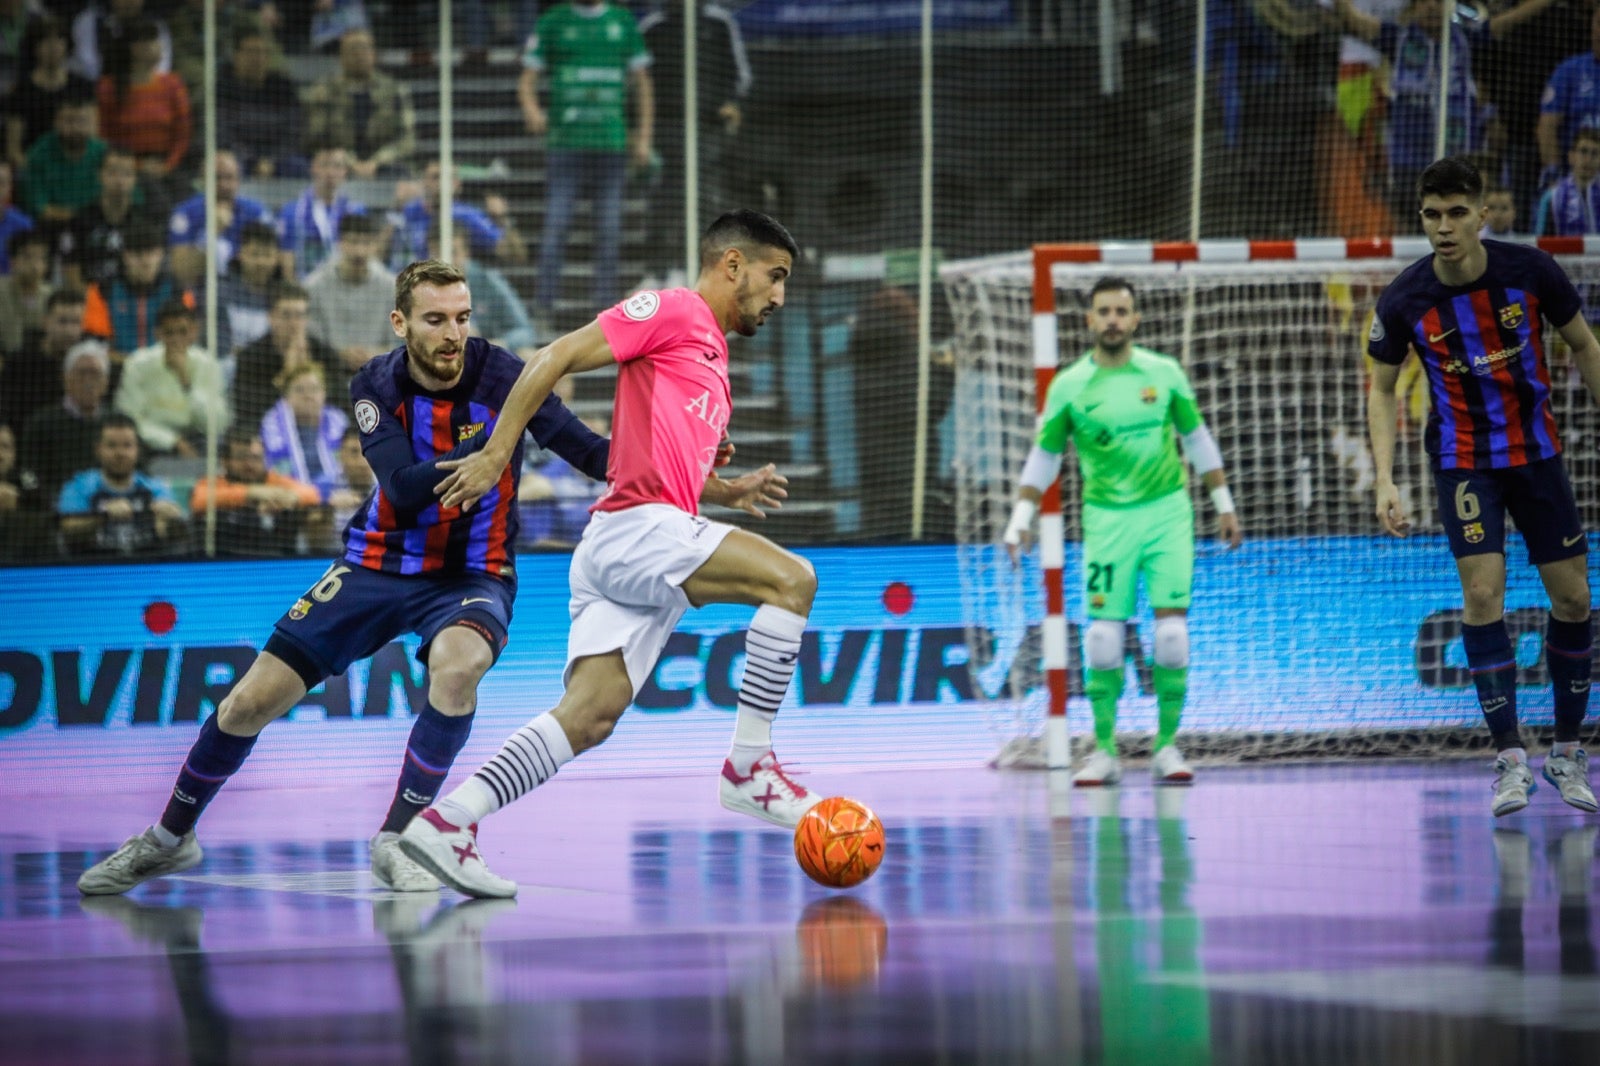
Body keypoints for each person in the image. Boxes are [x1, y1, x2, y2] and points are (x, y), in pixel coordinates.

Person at [73, 257, 756, 898]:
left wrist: (697, 469)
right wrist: (488, 453)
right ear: (401, 323)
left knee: (459, 669)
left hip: (473, 573)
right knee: (246, 704)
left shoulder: (504, 374)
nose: (453, 333)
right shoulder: (375, 384)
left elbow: (591, 453)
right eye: (435, 320)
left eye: (462, 317)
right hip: (375, 564)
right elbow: (400, 489)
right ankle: (169, 838)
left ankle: (400, 838)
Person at [396, 210, 807, 900]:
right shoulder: (674, 310)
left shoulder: (713, 358)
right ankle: (750, 767)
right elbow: (552, 357)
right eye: (776, 276)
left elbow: (652, 459)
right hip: (637, 531)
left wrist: (723, 488)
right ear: (733, 264)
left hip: (633, 540)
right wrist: (496, 452)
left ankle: (446, 823)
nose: (780, 296)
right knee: (792, 581)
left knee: (589, 716)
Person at [1367, 156, 1600, 819]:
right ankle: (1509, 759)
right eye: (1431, 215)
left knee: (1574, 598)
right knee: (1481, 594)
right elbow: (1382, 388)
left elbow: (1585, 345)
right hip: (1464, 461)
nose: (1443, 228)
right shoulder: (1405, 299)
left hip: (1536, 454)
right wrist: (1384, 478)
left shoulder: (1532, 272)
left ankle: (1566, 752)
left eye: (1456, 213)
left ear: (1483, 216)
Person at [1001, 275, 1243, 788]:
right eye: (1104, 311)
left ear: (1135, 319)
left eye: (1121, 311)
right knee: (1103, 640)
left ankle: (1167, 746)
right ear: (1089, 320)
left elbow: (1197, 440)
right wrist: (1020, 520)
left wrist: (1223, 504)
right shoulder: (1069, 385)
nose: (1112, 320)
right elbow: (1044, 458)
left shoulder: (1164, 373)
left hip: (1167, 515)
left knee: (1172, 636)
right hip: (1107, 520)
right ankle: (1105, 750)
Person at [1333, 0, 1560, 226]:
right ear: (1414, 6)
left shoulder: (1466, 38)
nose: (1432, 7)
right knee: (1411, 226)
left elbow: (1508, 20)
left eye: (1439, 2)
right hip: (1408, 159)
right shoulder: (1398, 38)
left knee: (1454, 226)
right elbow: (1353, 19)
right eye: (1426, 2)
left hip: (1456, 156)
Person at [520, 0, 653, 319]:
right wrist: (532, 110)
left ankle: (605, 313)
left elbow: (643, 83)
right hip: (566, 145)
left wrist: (644, 137)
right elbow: (527, 78)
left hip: (611, 146)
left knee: (609, 229)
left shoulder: (623, 22)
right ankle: (544, 308)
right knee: (556, 226)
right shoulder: (553, 21)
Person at [637, 1, 752, 283]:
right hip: (666, 130)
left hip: (707, 129)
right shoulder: (654, 26)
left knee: (705, 200)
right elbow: (639, 80)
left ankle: (702, 270)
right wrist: (640, 131)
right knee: (664, 200)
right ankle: (660, 271)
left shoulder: (719, 23)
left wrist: (730, 102)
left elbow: (741, 75)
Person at [57, 411, 187, 558]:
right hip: (94, 565)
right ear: (98, 449)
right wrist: (104, 516)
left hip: (145, 566)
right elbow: (67, 529)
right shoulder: (78, 486)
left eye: (127, 446)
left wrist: (172, 519)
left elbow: (180, 535)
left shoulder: (155, 488)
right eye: (112, 446)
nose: (120, 453)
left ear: (137, 449)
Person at [112, 298, 228, 458]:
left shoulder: (209, 365)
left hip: (197, 437)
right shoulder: (137, 364)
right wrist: (173, 441)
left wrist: (185, 381)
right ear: (158, 334)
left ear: (194, 332)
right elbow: (129, 419)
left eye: (183, 332)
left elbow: (217, 423)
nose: (176, 340)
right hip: (152, 440)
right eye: (169, 333)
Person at [190, 426, 323, 556]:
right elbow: (198, 500)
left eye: (256, 458)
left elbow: (312, 494)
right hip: (223, 558)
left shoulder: (273, 480)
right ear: (225, 461)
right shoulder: (215, 483)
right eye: (241, 457)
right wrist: (252, 493)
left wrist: (291, 498)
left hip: (276, 557)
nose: (249, 464)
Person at [301, 27, 415, 180]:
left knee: (401, 173)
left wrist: (377, 162)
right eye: (352, 49)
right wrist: (348, 161)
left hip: (384, 166)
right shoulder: (323, 91)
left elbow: (407, 139)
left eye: (364, 48)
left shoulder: (394, 90)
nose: (359, 55)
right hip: (336, 166)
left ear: (374, 54)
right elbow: (314, 138)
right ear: (341, 56)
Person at [95, 16, 190, 194]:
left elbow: (182, 135)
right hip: (124, 169)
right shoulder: (108, 87)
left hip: (168, 166)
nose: (159, 46)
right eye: (152, 41)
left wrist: (168, 165)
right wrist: (136, 165)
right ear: (135, 48)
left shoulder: (173, 84)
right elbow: (103, 137)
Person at [81, 219, 194, 369]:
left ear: (161, 254)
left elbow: (187, 343)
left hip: (165, 370)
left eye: (151, 253)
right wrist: (137, 366)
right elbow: (95, 347)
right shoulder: (102, 291)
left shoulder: (178, 292)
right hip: (117, 371)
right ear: (125, 256)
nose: (146, 262)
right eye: (138, 254)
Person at [232, 280, 343, 430]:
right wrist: (287, 375)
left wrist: (309, 374)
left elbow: (342, 403)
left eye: (300, 315)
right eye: (286, 315)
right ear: (271, 318)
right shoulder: (251, 357)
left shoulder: (326, 355)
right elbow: (248, 411)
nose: (294, 323)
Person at [15, 338, 111, 511]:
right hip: (54, 509)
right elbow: (26, 473)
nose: (88, 380)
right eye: (82, 373)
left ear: (106, 382)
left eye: (95, 373)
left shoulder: (117, 424)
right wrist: (46, 499)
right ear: (65, 378)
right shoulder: (41, 423)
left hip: (110, 508)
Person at [387, 159, 526, 269]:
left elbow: (515, 255)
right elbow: (379, 251)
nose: (442, 183)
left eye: (448, 177)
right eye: (436, 177)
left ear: (457, 184)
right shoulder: (409, 209)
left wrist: (502, 218)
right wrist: (396, 208)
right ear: (423, 181)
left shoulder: (467, 215)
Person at [166, 148, 274, 288]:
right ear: (202, 181)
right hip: (201, 291)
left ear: (238, 180)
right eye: (216, 178)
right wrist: (212, 233)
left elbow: (269, 264)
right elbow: (181, 273)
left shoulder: (257, 213)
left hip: (247, 291)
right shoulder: (185, 214)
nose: (223, 184)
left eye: (229, 177)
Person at [305, 210, 396, 373]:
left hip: (379, 373)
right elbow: (312, 341)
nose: (359, 252)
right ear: (340, 243)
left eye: (366, 243)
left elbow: (399, 342)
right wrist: (340, 354)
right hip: (329, 372)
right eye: (353, 242)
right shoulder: (314, 286)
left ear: (375, 245)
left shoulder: (392, 288)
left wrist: (374, 355)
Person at [3, 15, 93, 178]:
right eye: (45, 40)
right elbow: (13, 149)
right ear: (34, 47)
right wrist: (36, 172)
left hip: (77, 169)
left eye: (59, 39)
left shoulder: (81, 85)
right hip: (36, 170)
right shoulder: (21, 91)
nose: (53, 47)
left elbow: (92, 134)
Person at [428, 221, 539, 352]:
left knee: (526, 353)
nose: (446, 262)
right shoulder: (419, 288)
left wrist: (495, 344)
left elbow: (525, 331)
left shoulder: (488, 281)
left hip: (483, 356)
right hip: (437, 356)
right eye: (438, 254)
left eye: (453, 253)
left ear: (466, 252)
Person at [214, 24, 304, 179]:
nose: (257, 58)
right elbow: (223, 133)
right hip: (239, 157)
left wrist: (271, 160)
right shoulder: (223, 87)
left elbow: (294, 130)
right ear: (236, 55)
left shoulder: (283, 87)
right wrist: (253, 161)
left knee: (300, 166)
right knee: (228, 167)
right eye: (251, 52)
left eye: (262, 52)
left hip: (279, 159)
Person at [259, 360, 348, 501]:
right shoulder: (271, 427)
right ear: (286, 397)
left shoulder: (340, 423)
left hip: (340, 498)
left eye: (314, 389)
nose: (308, 395)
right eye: (299, 390)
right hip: (292, 500)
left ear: (324, 393)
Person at [1537, 5, 1600, 198]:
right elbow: (1547, 128)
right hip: (1574, 181)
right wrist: (1556, 177)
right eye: (1599, 23)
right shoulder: (1570, 71)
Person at [277, 143, 367, 279]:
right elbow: (287, 267)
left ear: (345, 171)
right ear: (313, 167)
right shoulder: (291, 212)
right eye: (324, 165)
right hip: (304, 287)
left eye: (337, 166)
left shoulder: (356, 212)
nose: (330, 172)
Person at [0, 286, 83, 430]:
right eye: (62, 321)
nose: (69, 331)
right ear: (46, 322)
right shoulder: (19, 362)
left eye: (76, 322)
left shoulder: (85, 365)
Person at [19, 92, 106, 230]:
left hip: (99, 227)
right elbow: (39, 209)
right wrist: (80, 218)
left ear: (94, 123)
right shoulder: (38, 154)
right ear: (56, 122)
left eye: (83, 121)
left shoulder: (104, 153)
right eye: (69, 121)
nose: (76, 128)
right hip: (51, 229)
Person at [58, 146, 140, 291]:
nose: (120, 181)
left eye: (127, 174)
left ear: (135, 179)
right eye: (113, 173)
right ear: (100, 175)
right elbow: (71, 275)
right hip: (89, 299)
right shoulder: (79, 222)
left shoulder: (143, 222)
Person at [216, 219, 287, 375]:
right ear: (240, 254)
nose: (261, 262)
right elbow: (219, 346)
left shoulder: (283, 296)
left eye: (267, 255)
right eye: (254, 254)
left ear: (277, 258)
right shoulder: (221, 292)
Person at [1533, 128, 1600, 237]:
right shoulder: (1552, 197)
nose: (1588, 159)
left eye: (1595, 153)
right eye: (1583, 151)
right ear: (1571, 156)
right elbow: (1540, 240)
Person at [0, 226, 52, 353]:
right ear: (13, 261)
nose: (35, 265)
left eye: (41, 258)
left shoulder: (51, 296)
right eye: (28, 257)